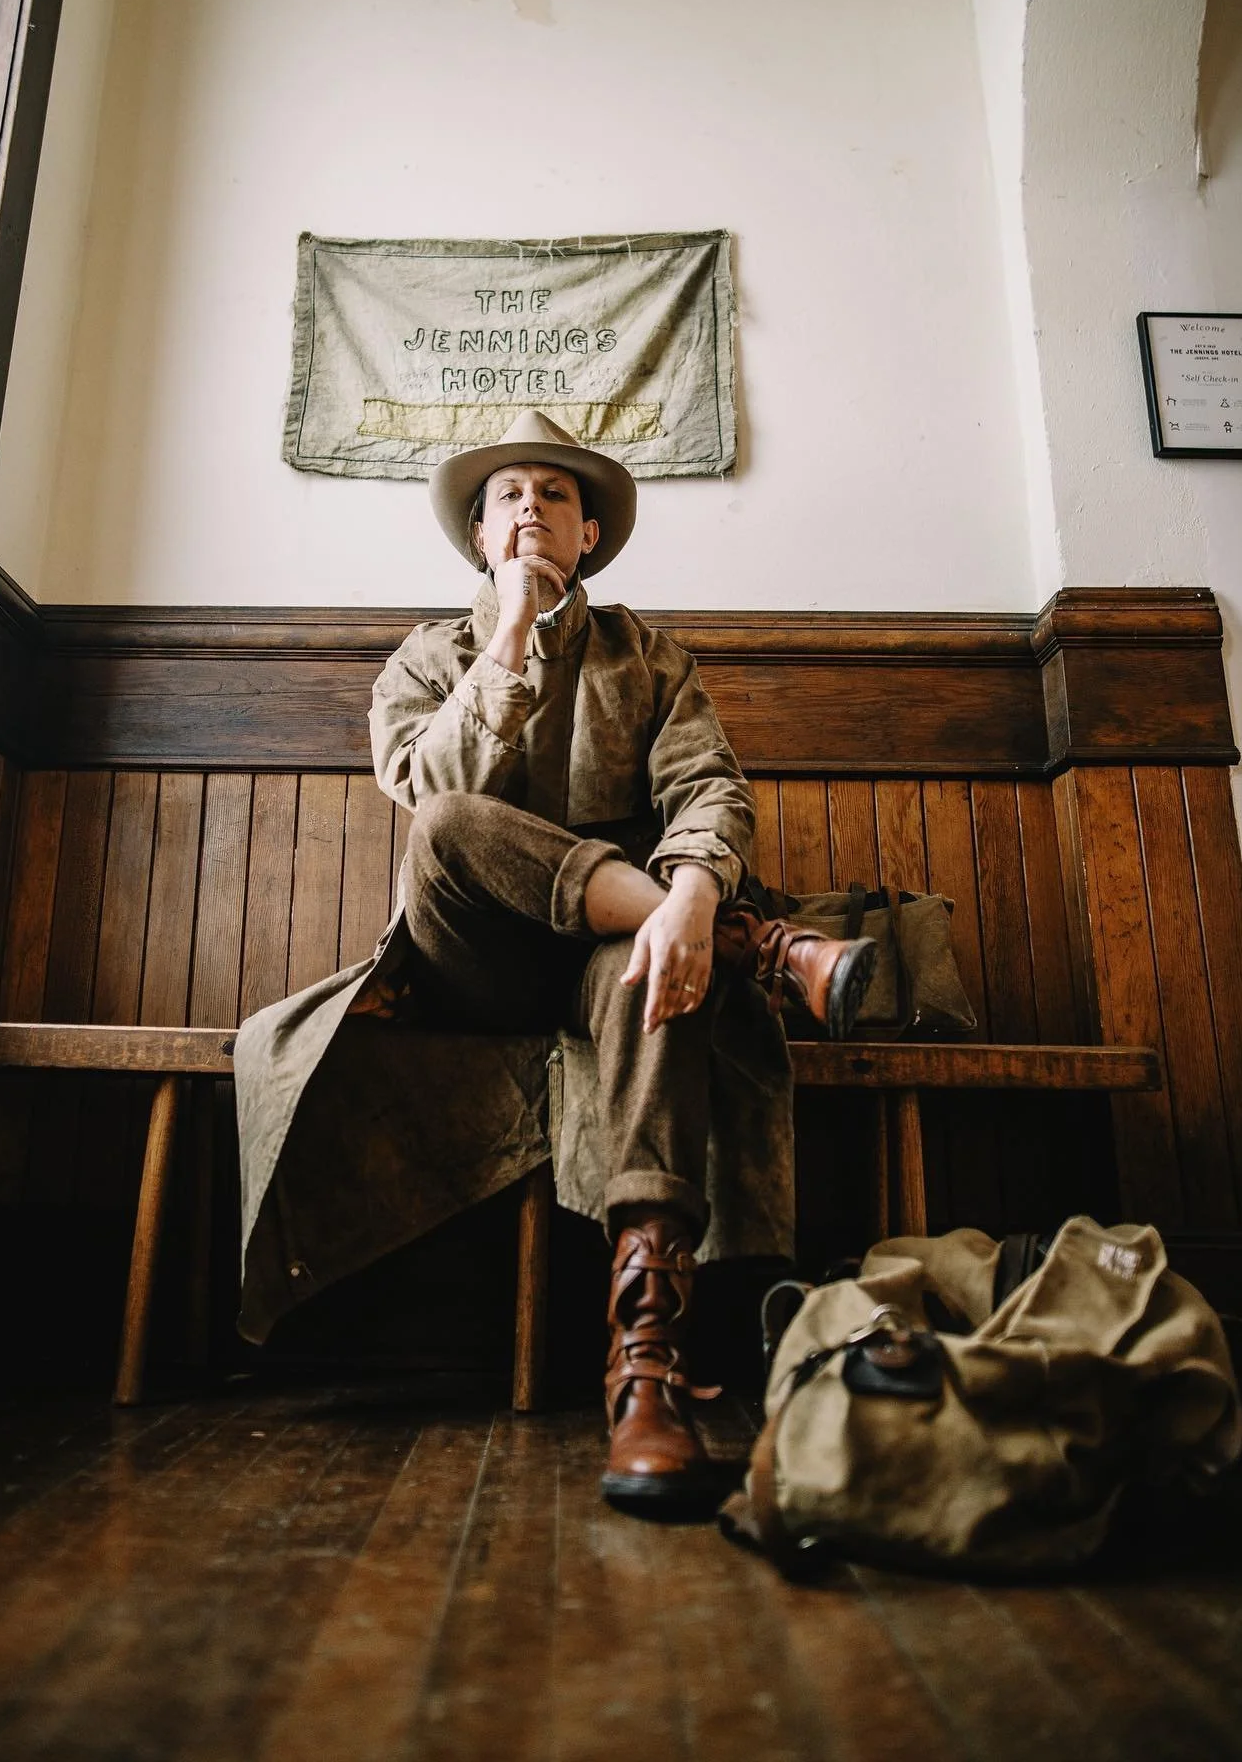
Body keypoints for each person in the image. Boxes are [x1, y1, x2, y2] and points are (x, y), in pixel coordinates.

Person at [233, 411, 874, 1512]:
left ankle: (647, 1372)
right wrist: (510, 643)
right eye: (509, 496)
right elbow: (429, 792)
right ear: (481, 537)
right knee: (449, 827)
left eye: (557, 495)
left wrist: (690, 893)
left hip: (613, 952)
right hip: (470, 956)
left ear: (589, 536)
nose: (533, 506)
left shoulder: (649, 654)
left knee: (650, 984)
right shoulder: (424, 657)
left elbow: (709, 787)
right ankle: (755, 948)